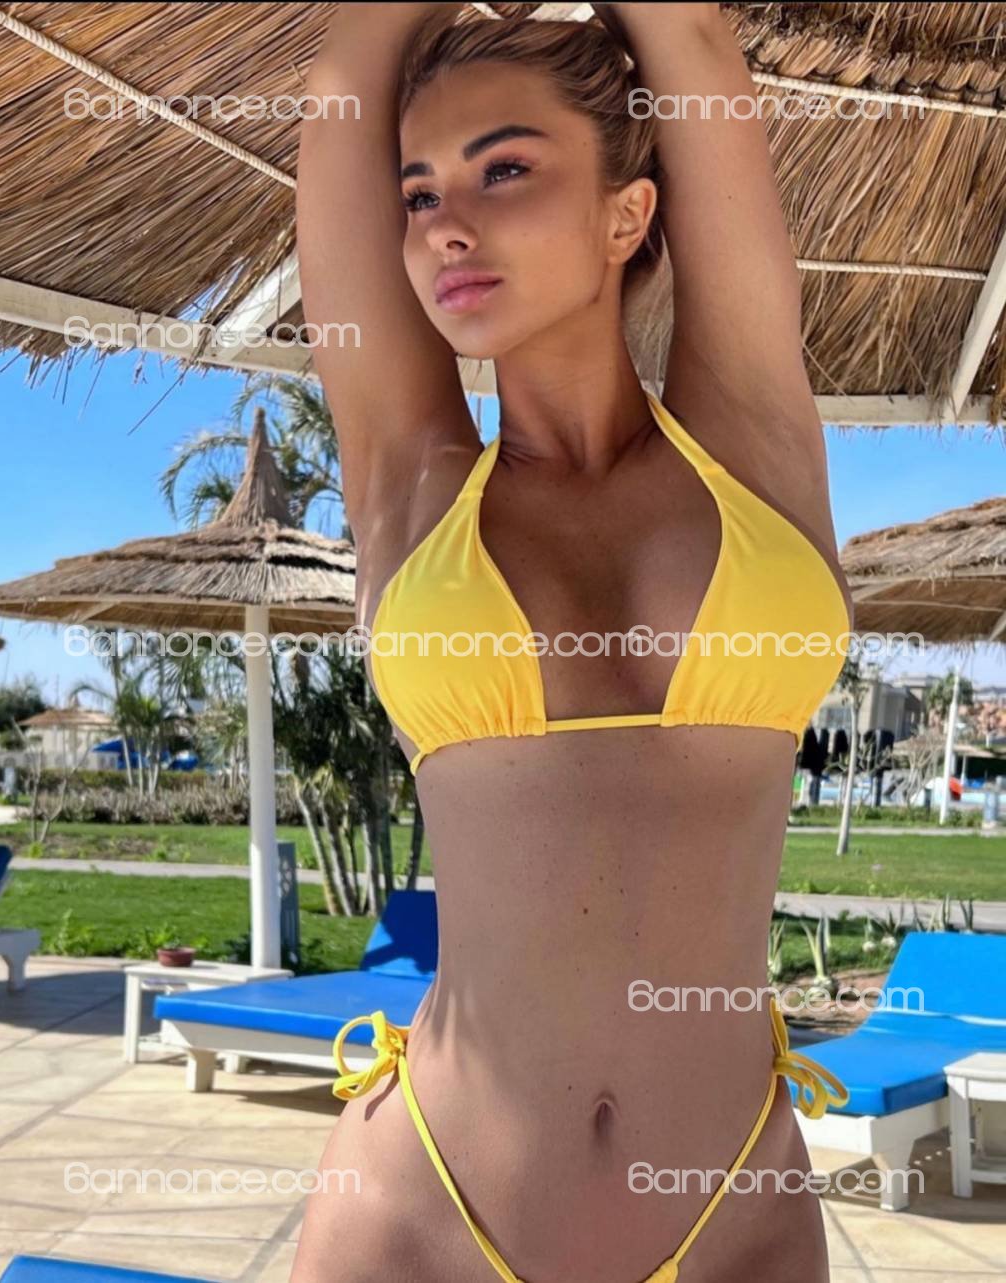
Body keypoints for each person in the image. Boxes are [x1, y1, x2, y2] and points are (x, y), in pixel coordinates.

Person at [292, 4, 853, 1280]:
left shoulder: (750, 442)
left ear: (627, 214)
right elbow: (336, 93)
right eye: (418, 191)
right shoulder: (411, 479)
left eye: (504, 169)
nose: (445, 224)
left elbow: (692, 40)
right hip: (423, 1213)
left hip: (731, 1215)